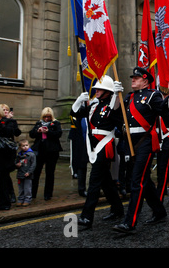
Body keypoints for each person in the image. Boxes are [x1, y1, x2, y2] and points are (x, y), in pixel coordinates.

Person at [113, 67, 169, 234]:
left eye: (136, 78)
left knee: (137, 181)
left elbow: (165, 113)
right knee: (144, 181)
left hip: (145, 142)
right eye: (132, 78)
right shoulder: (128, 97)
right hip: (130, 142)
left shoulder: (153, 96)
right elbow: (115, 115)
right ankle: (159, 211)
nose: (133, 80)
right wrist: (115, 96)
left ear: (145, 80)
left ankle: (130, 222)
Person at [71, 75, 125, 229]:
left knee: (94, 181)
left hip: (105, 146)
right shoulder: (94, 106)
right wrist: (78, 101)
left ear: (107, 91)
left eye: (100, 89)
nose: (96, 91)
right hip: (93, 146)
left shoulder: (112, 105)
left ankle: (87, 217)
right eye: (96, 89)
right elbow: (75, 114)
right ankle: (118, 208)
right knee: (105, 182)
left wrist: (116, 95)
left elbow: (117, 115)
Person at [29, 107, 62, 200]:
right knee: (36, 172)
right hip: (39, 151)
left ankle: (48, 194)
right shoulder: (38, 123)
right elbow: (31, 134)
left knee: (50, 173)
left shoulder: (56, 123)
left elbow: (58, 134)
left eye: (48, 117)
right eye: (45, 117)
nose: (46, 119)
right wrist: (38, 131)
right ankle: (32, 193)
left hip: (52, 151)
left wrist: (49, 131)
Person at [0, 105, 19, 210]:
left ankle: (5, 203)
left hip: (3, 155)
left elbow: (9, 132)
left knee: (3, 180)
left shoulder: (9, 122)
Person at [68, 115, 88, 197]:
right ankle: (81, 189)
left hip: (91, 143)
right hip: (80, 142)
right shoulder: (79, 114)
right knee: (81, 166)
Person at [14, 139, 36, 206]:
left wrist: (29, 172)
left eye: (26, 145)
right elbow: (16, 163)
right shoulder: (19, 155)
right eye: (23, 146)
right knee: (21, 188)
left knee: (27, 188)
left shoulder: (31, 155)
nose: (25, 147)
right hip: (20, 174)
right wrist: (17, 165)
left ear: (29, 145)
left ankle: (27, 199)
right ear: (20, 147)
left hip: (27, 174)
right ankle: (20, 199)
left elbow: (33, 165)